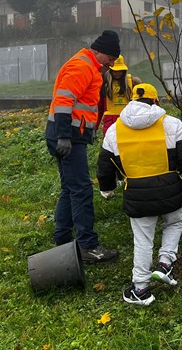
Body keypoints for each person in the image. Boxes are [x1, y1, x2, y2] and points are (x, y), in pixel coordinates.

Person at [97, 83, 182, 306]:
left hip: (136, 194)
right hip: (171, 190)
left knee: (143, 241)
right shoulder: (172, 124)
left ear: (131, 102)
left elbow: (104, 164)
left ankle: (141, 289)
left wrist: (107, 188)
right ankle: (165, 263)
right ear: (156, 101)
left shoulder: (114, 129)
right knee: (174, 223)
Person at [45, 30, 122, 263]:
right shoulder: (82, 67)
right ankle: (88, 245)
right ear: (99, 52)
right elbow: (63, 100)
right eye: (110, 58)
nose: (111, 64)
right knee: (81, 189)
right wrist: (64, 137)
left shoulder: (90, 67)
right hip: (68, 136)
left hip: (69, 135)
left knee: (70, 187)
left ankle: (62, 239)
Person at [97, 55, 142, 135]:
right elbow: (100, 107)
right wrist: (95, 126)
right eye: (115, 70)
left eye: (120, 70)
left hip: (128, 121)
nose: (117, 73)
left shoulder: (133, 82)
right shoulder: (104, 84)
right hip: (110, 123)